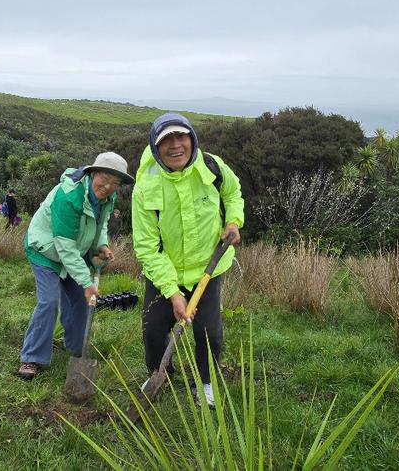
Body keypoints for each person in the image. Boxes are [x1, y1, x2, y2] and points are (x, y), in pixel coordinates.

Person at [133, 113, 244, 407]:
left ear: (192, 138)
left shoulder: (213, 168)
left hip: (208, 269)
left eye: (181, 137)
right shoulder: (145, 186)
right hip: (164, 273)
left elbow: (233, 193)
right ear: (156, 148)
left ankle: (206, 381)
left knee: (208, 331)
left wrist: (233, 222)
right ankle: (159, 373)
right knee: (154, 329)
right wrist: (172, 293)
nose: (175, 145)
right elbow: (146, 247)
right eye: (166, 140)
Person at [16, 152, 134, 380]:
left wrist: (101, 245)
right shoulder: (68, 196)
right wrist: (87, 282)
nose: (109, 187)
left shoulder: (108, 198)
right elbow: (64, 245)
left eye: (115, 183)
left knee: (82, 302)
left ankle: (76, 351)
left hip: (72, 253)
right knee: (49, 302)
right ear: (93, 173)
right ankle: (31, 357)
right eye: (105, 179)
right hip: (45, 251)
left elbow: (100, 225)